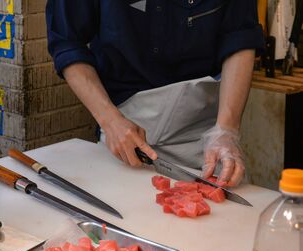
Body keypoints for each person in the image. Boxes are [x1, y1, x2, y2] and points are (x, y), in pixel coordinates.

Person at [46, 0, 264, 187]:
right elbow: (67, 43)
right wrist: (110, 121)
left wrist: (226, 130)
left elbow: (240, 37)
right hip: (125, 136)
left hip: (207, 140)